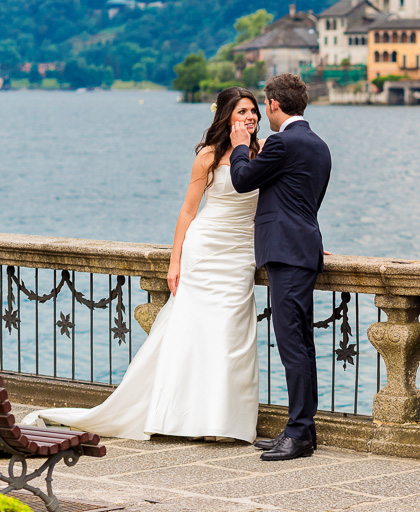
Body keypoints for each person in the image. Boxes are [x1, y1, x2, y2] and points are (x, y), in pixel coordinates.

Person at [22, 87, 264, 442]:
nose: (250, 117)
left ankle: (224, 422)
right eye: (243, 111)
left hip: (241, 252)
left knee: (232, 336)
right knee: (195, 335)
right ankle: (184, 419)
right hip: (206, 249)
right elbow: (188, 210)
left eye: (254, 111)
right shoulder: (208, 157)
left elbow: (281, 204)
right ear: (227, 116)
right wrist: (175, 260)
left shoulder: (264, 154)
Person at [229, 74, 331, 461]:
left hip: (287, 253)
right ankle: (301, 429)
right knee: (301, 343)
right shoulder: (319, 144)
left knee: (293, 345)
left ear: (273, 104)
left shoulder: (282, 142)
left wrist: (240, 146)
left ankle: (300, 433)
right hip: (304, 249)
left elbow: (242, 180)